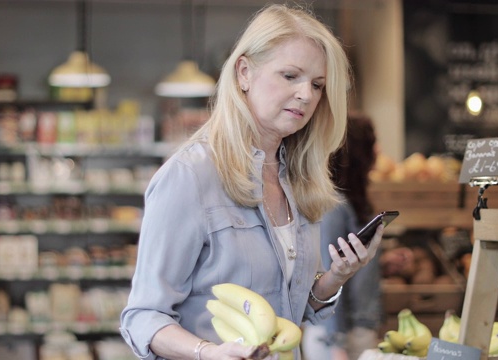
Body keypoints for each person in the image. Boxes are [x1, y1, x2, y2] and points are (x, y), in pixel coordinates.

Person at [119, 4, 384, 360]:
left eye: (317, 85)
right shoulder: (190, 177)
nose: (306, 95)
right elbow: (142, 316)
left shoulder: (299, 178)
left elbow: (286, 310)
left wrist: (336, 276)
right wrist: (206, 352)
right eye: (290, 76)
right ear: (244, 72)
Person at [301, 113, 383, 360]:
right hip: (338, 337)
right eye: (371, 144)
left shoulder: (347, 201)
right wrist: (335, 344)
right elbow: (327, 272)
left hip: (350, 332)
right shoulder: (333, 207)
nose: (378, 150)